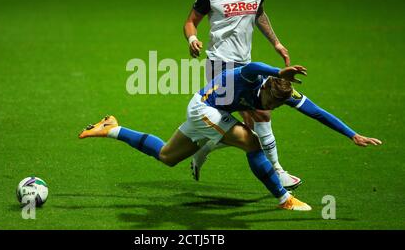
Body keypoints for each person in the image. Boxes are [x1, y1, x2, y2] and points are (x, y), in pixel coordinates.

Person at [78, 62, 382, 212]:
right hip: (204, 109)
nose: (272, 108)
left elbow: (317, 112)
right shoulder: (255, 78)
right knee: (252, 141)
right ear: (266, 88)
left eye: (278, 105)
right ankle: (284, 199)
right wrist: (280, 68)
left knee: (167, 157)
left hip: (208, 112)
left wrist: (352, 134)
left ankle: (112, 128)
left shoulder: (284, 92)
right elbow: (251, 65)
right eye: (272, 103)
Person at [183, 0, 299, 188]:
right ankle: (277, 172)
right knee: (259, 115)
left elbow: (259, 14)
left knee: (247, 126)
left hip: (245, 65)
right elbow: (191, 22)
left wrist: (276, 43)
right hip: (219, 66)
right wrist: (193, 39)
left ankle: (202, 152)